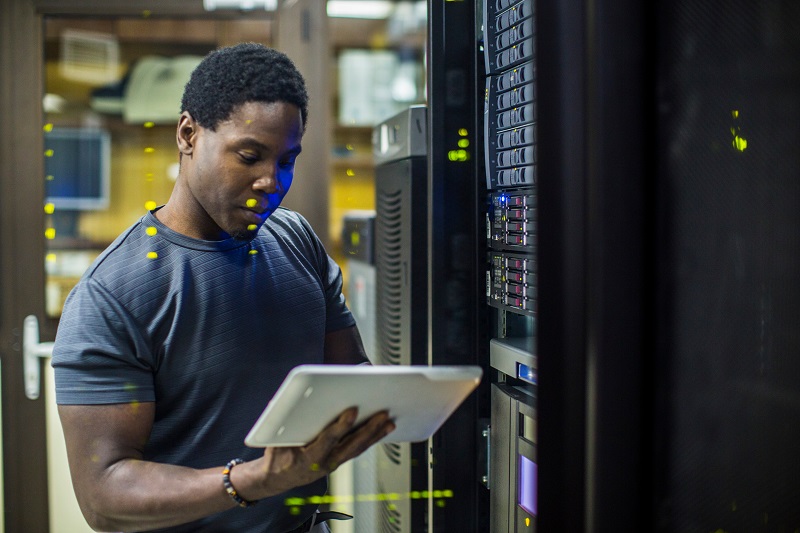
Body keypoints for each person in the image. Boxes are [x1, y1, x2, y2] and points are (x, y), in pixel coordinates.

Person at [51, 42, 395, 533]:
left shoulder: (296, 240)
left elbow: (349, 376)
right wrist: (253, 480)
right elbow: (104, 495)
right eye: (250, 156)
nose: (271, 182)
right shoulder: (113, 295)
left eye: (287, 160)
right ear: (189, 134)